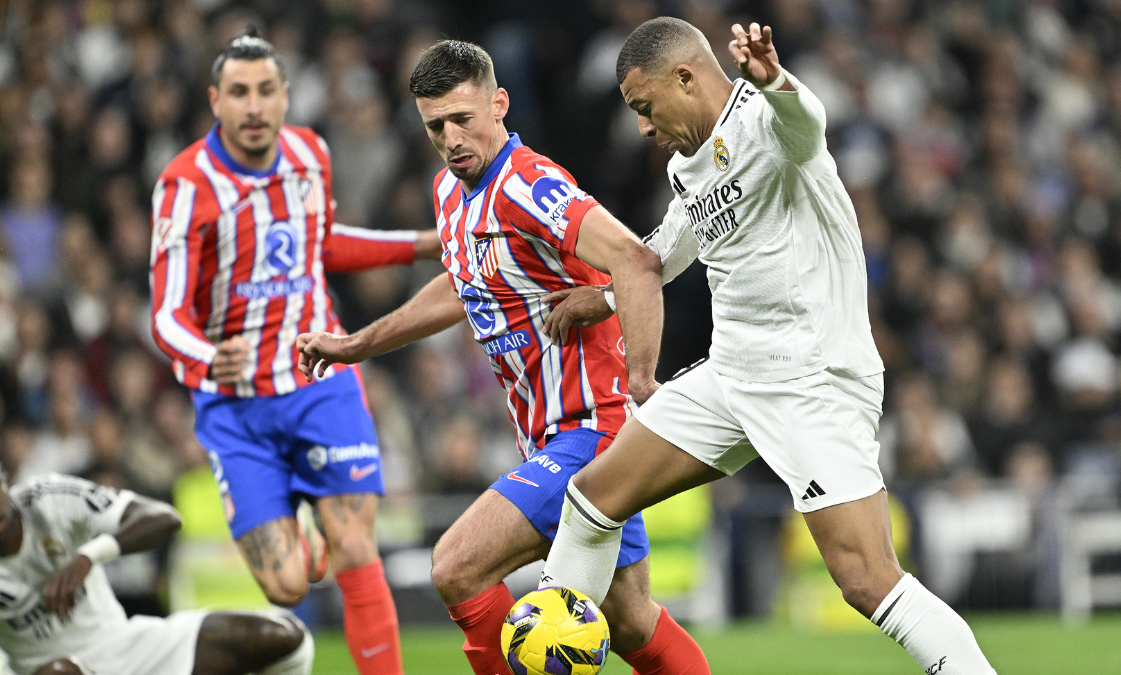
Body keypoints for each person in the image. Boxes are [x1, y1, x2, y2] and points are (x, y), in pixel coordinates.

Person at [536, 17, 999, 675]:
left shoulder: (768, 121)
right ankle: (551, 650)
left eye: (645, 107)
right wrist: (607, 295)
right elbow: (671, 245)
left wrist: (776, 80)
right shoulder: (688, 165)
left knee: (867, 577)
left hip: (813, 380)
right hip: (733, 376)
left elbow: (807, 124)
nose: (642, 126)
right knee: (589, 501)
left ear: (687, 77)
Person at [296, 40, 709, 675]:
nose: (452, 137)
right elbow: (461, 284)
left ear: (499, 104)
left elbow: (635, 259)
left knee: (457, 565)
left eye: (464, 119)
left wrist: (642, 380)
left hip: (591, 432)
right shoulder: (451, 192)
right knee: (630, 622)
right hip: (547, 435)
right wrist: (357, 344)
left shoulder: (529, 184)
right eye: (436, 126)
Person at [149, 30, 440, 674]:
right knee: (286, 585)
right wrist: (203, 355)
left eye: (265, 91)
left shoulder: (310, 154)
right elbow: (166, 312)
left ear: (286, 96)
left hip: (318, 376)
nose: (253, 107)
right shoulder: (185, 186)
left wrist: (420, 244)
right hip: (236, 405)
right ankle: (301, 534)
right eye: (238, 93)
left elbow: (320, 242)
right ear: (214, 102)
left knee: (356, 546)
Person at [0, 431, 313, 675]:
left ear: (5, 481)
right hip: (46, 671)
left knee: (284, 635)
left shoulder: (51, 498)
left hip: (128, 648)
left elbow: (162, 518)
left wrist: (89, 556)